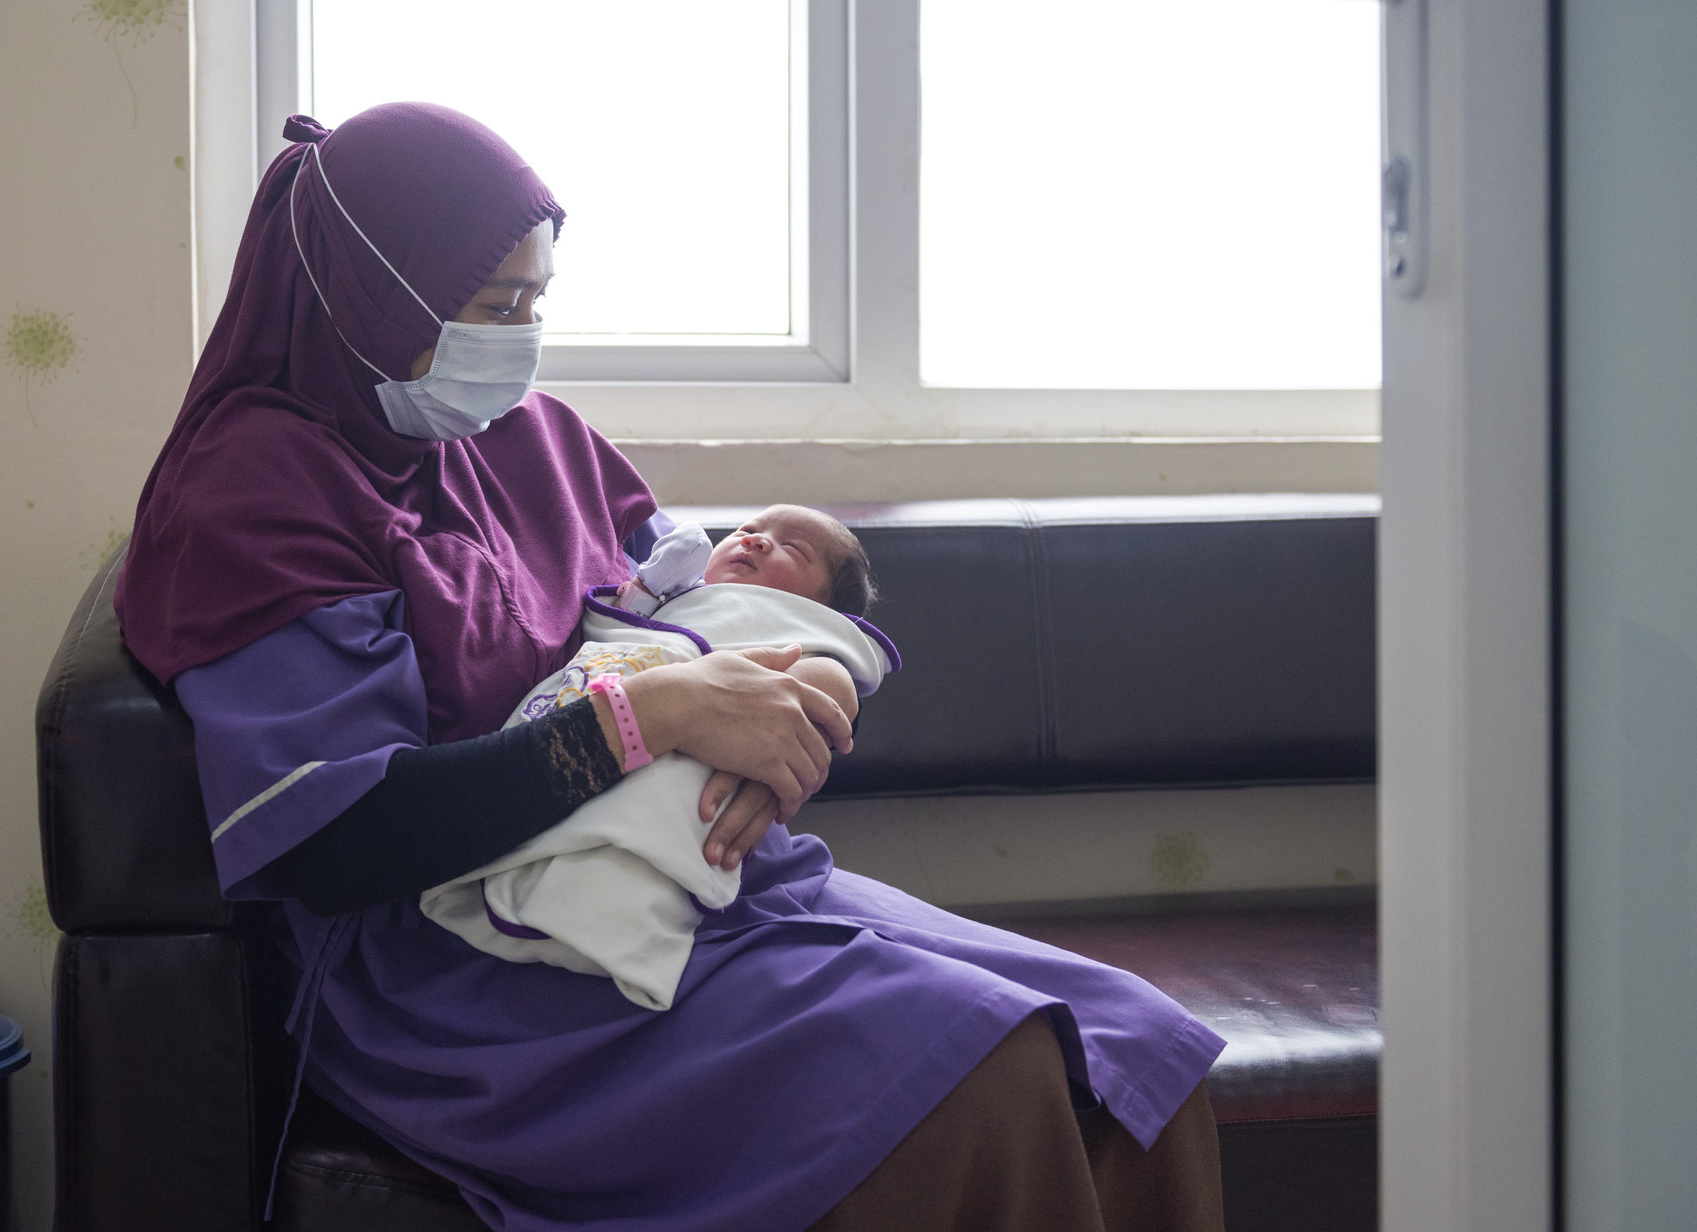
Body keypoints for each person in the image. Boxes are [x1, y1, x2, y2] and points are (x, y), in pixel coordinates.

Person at [116, 103, 1227, 1231]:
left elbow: (716, 609)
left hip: (689, 880)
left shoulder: (527, 438)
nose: (520, 338)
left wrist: (805, 698)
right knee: (984, 1075)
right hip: (459, 963)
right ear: (370, 297)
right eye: (493, 308)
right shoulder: (252, 495)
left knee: (1129, 1052)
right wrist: (651, 715)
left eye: (537, 302)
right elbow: (335, 837)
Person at [420, 505, 896, 1011]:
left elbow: (835, 683)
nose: (755, 541)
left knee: (651, 821)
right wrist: (648, 590)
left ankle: (607, 918)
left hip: (689, 774)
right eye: (747, 530)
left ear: (822, 607)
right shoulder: (679, 591)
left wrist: (812, 690)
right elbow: (615, 624)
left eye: (792, 549)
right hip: (585, 726)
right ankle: (527, 891)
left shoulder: (800, 628)